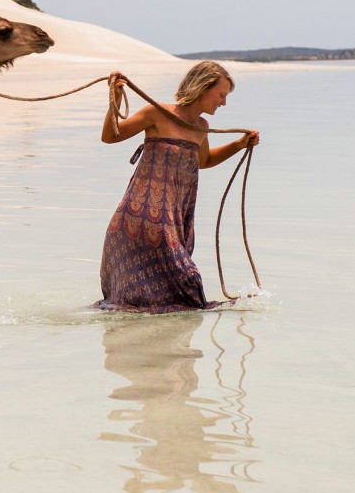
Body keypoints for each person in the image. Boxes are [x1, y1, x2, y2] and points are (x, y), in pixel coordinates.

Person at [95, 61, 260, 313]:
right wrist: (115, 99)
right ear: (203, 87)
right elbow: (110, 136)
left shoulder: (201, 127)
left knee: (162, 298)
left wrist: (238, 145)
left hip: (173, 220)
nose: (223, 102)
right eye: (222, 95)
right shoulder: (157, 112)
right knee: (186, 282)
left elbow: (203, 161)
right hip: (142, 217)